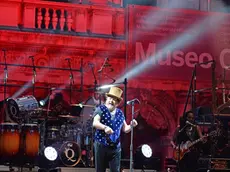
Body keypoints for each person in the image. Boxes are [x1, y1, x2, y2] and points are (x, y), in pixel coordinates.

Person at [93, 86, 138, 172]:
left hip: (115, 148)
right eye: (110, 98)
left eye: (114, 99)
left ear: (117, 103)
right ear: (106, 99)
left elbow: (125, 129)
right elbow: (95, 122)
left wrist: (132, 125)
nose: (111, 101)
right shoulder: (101, 109)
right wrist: (105, 127)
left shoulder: (120, 113)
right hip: (101, 145)